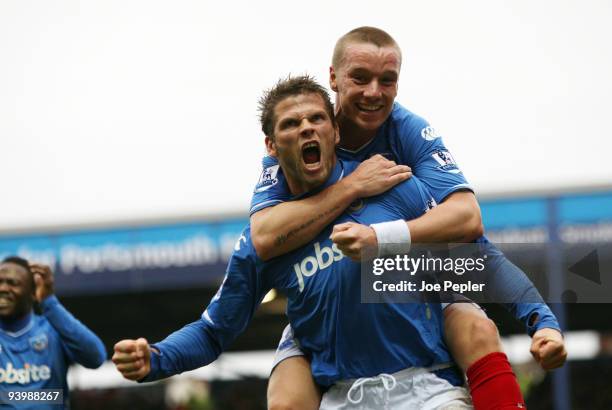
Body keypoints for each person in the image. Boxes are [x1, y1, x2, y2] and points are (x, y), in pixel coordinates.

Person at [249, 28, 566, 410]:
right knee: (285, 399)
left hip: (411, 276)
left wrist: (380, 238)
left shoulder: (408, 134)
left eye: (388, 80)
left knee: (476, 327)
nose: (373, 92)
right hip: (323, 303)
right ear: (333, 77)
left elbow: (467, 221)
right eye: (360, 78)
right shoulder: (301, 133)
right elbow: (264, 236)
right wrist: (351, 188)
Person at [113, 76, 477, 409]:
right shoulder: (265, 240)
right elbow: (213, 331)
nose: (306, 128)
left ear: (335, 132)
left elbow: (474, 248)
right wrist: (156, 359)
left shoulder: (391, 183)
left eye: (316, 119)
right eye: (290, 123)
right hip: (344, 397)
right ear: (271, 146)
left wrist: (536, 320)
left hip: (429, 390)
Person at [0, 256, 106, 409]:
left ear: (32, 292)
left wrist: (49, 302)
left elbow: (96, 357)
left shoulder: (53, 330)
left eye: (13, 283)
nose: (2, 288)